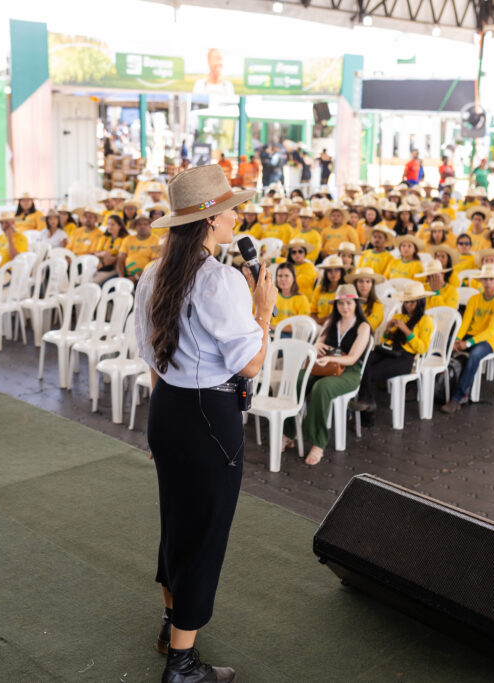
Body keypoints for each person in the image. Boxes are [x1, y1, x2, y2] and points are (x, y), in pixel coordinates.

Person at [134, 165, 273, 683]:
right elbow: (251, 365)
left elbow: (150, 357)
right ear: (211, 221)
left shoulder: (152, 274)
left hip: (168, 408)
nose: (237, 215)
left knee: (177, 523)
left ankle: (172, 623)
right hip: (209, 415)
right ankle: (182, 663)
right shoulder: (219, 279)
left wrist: (160, 423)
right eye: (230, 209)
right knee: (205, 534)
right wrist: (263, 311)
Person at [284, 284, 370, 465]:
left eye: (348, 303)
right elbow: (316, 344)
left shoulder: (363, 326)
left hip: (349, 371)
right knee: (298, 380)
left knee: (321, 388)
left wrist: (331, 360)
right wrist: (317, 347)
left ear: (356, 303)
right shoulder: (332, 322)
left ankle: (318, 442)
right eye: (341, 304)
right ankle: (289, 431)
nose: (344, 307)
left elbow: (353, 359)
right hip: (324, 366)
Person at [351, 281, 433, 414]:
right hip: (390, 351)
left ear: (420, 302)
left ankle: (366, 405)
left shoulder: (426, 320)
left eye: (413, 302)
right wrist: (387, 330)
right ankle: (365, 401)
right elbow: (385, 341)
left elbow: (422, 349)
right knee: (362, 362)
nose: (409, 305)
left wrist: (407, 331)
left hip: (406, 358)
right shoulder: (399, 316)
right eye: (406, 302)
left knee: (370, 371)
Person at [441, 264, 494, 414]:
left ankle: (457, 398)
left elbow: (491, 331)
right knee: (445, 345)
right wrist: (456, 339)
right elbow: (465, 323)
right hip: (471, 336)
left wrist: (467, 343)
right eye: (485, 279)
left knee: (474, 356)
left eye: (491, 279)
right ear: (481, 281)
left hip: (488, 341)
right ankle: (434, 387)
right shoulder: (474, 299)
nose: (488, 282)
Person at [118, 214, 160, 282]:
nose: (142, 226)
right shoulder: (128, 239)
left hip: (146, 277)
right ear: (135, 227)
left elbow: (153, 265)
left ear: (150, 227)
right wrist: (121, 277)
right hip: (126, 275)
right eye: (139, 224)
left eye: (145, 224)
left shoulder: (156, 240)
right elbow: (120, 260)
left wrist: (136, 277)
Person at [271, 261, 311, 330]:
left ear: (293, 278)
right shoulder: (273, 297)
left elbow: (302, 326)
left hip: (291, 337)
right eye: (280, 276)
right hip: (272, 333)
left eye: (286, 276)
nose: (283, 279)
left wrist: (276, 328)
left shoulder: (302, 299)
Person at [93, 214, 128, 284]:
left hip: (115, 267)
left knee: (94, 281)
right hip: (101, 264)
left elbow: (120, 256)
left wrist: (110, 255)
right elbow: (96, 252)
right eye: (108, 224)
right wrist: (102, 254)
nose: (109, 227)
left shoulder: (125, 238)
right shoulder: (105, 237)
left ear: (119, 226)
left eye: (112, 224)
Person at [311, 255, 347, 322]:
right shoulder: (319, 289)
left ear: (341, 272)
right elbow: (312, 312)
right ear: (326, 273)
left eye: (336, 270)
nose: (333, 274)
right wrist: (318, 321)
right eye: (329, 271)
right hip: (318, 324)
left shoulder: (346, 290)